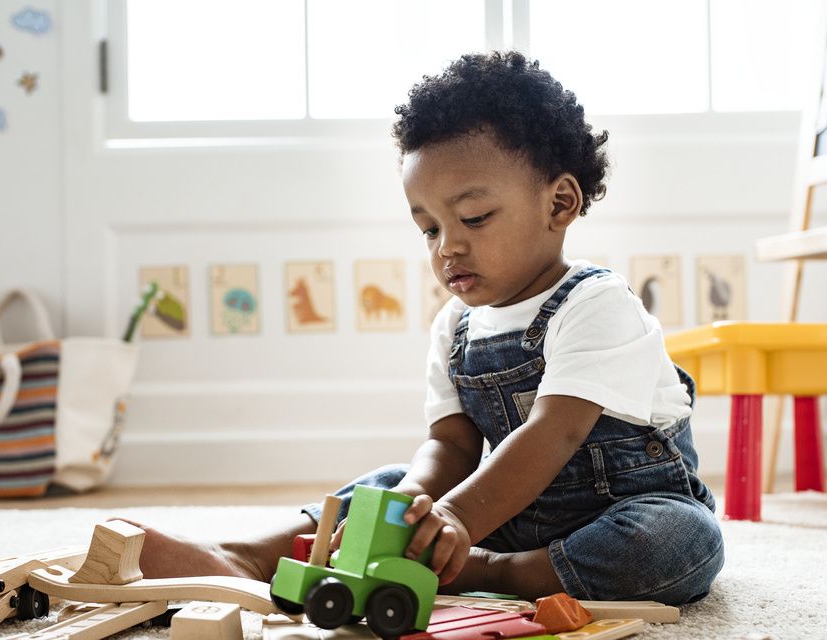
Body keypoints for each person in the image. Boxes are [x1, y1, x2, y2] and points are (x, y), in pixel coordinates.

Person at [125, 50, 724, 605]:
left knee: (677, 541)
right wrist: (414, 501)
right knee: (386, 485)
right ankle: (249, 557)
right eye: (429, 229)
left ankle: (491, 573)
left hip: (618, 509)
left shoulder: (598, 304)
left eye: (474, 217)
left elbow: (553, 435)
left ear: (560, 204)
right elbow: (453, 446)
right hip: (504, 510)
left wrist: (460, 520)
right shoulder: (456, 325)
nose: (448, 247)